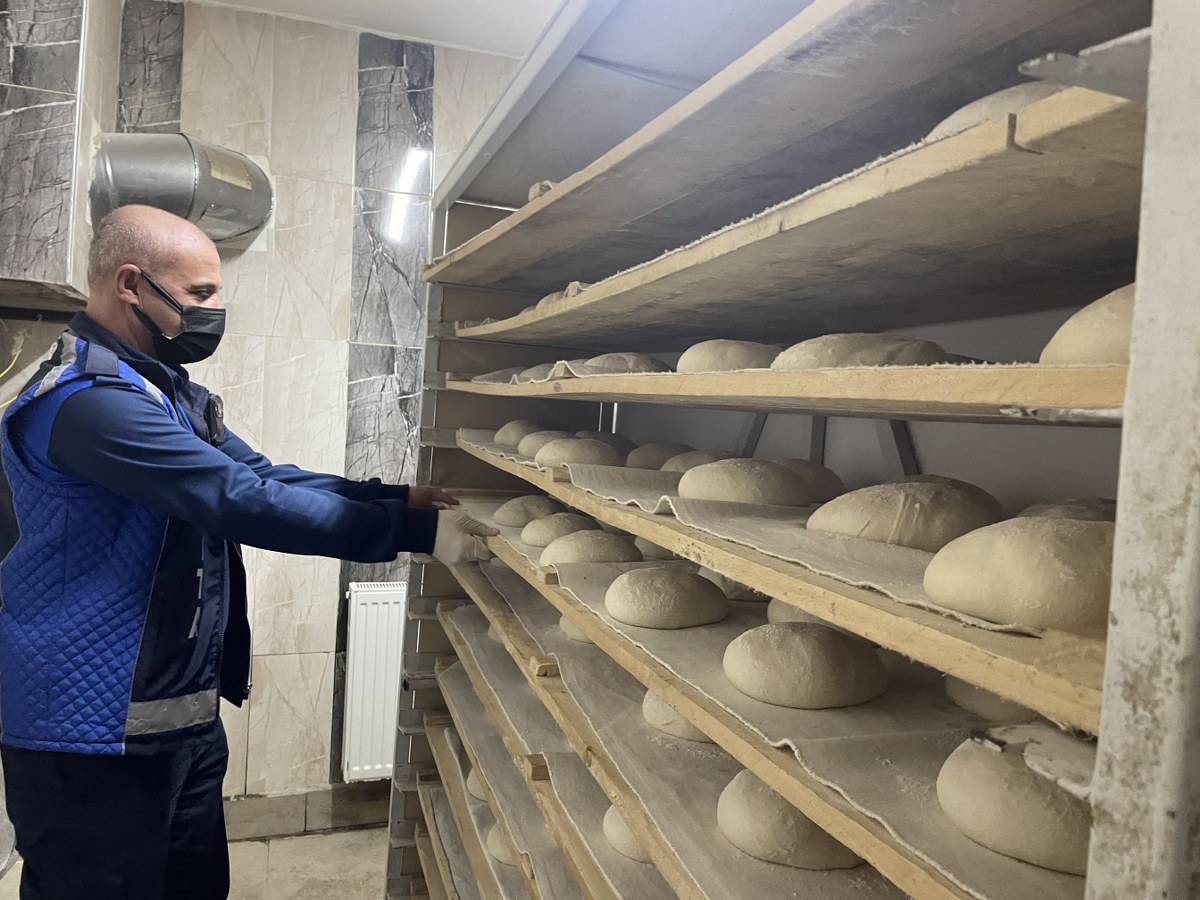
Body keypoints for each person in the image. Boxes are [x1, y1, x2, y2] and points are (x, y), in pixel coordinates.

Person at [0, 205, 497, 900]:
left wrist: (393, 497)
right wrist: (419, 536)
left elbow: (262, 475)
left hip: (177, 716)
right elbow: (237, 499)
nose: (214, 311)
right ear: (131, 285)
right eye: (200, 293)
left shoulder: (164, 391)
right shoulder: (88, 403)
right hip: (88, 734)